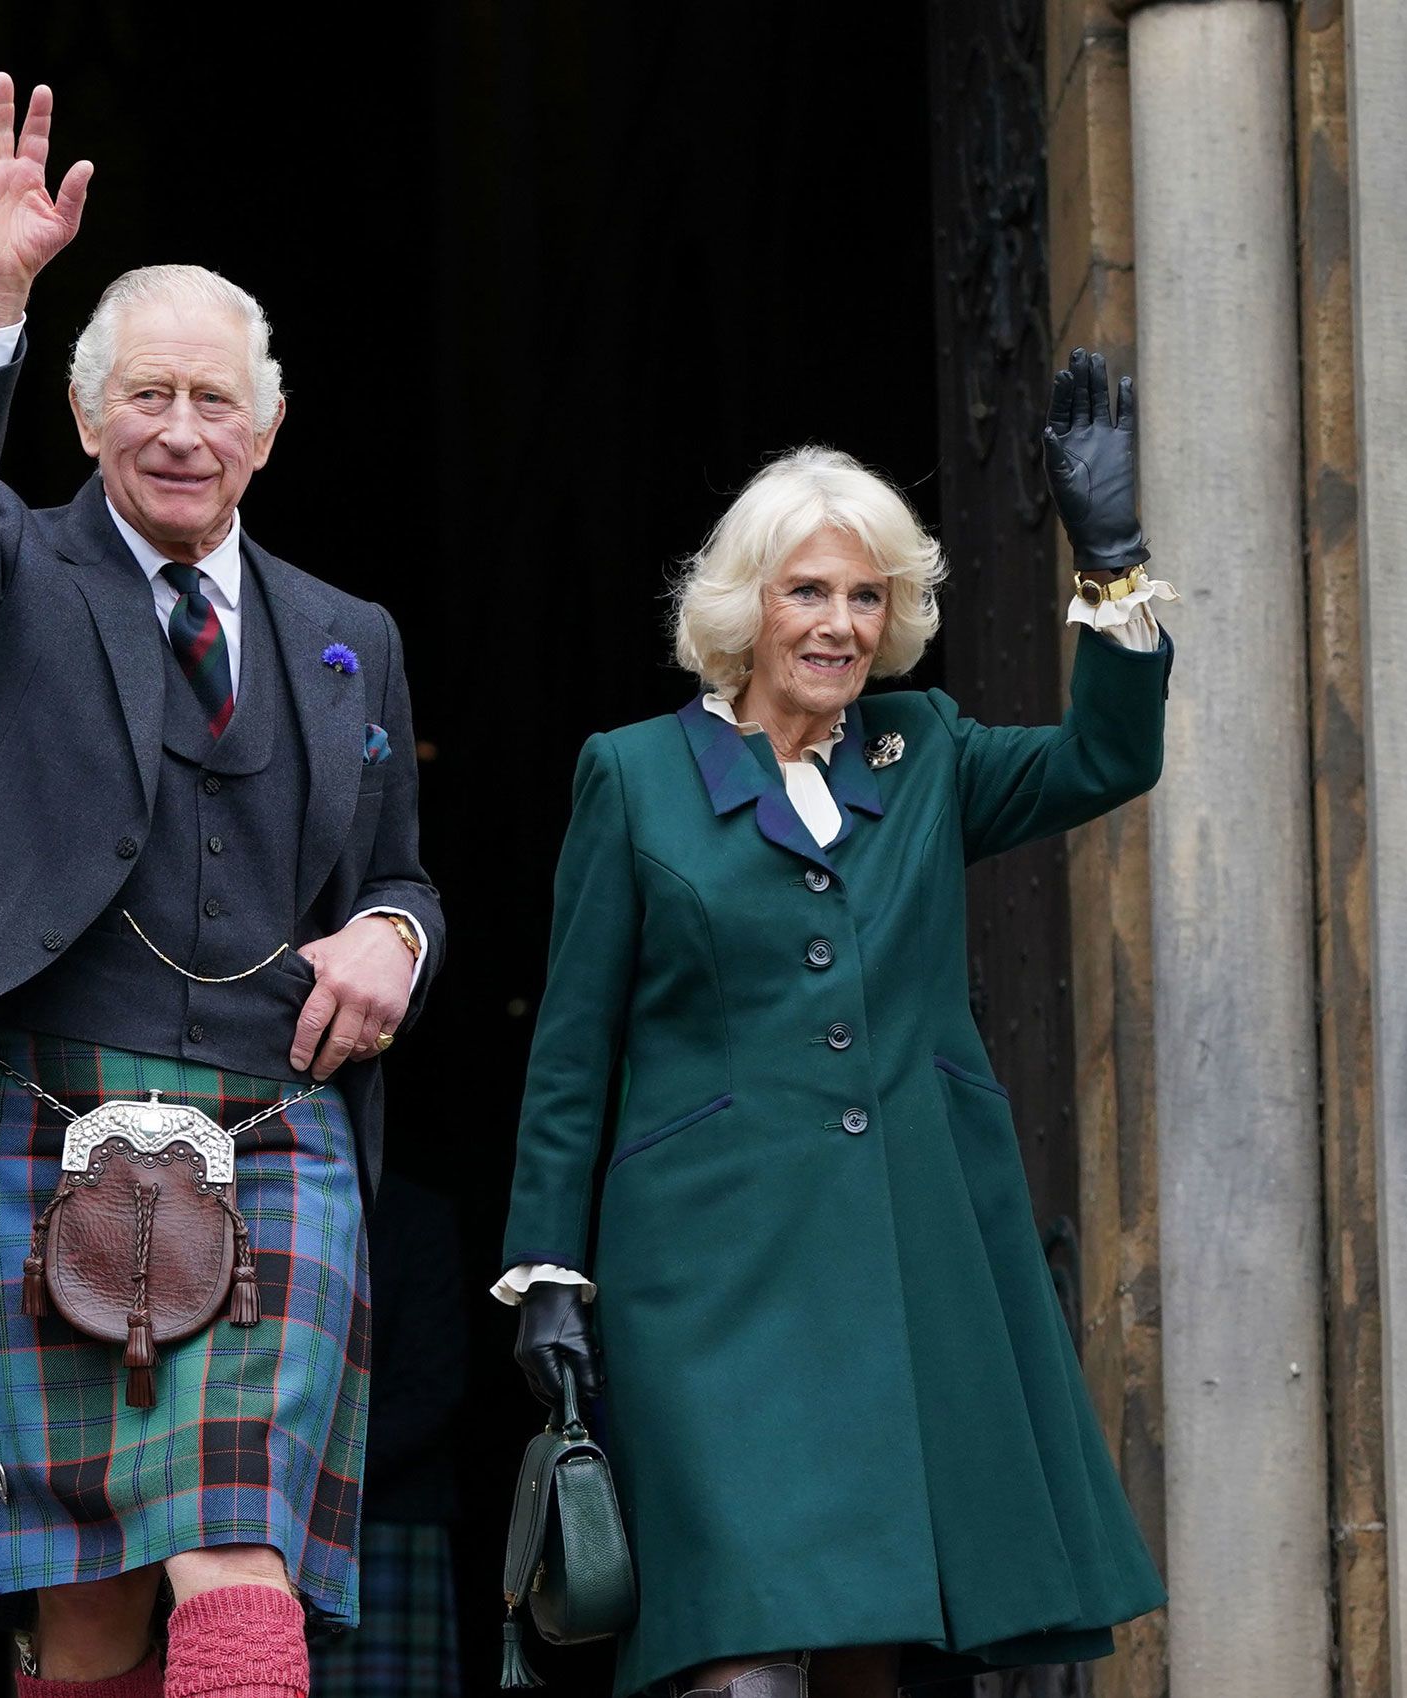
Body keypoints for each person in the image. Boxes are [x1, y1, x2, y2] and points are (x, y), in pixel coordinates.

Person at [0, 75, 444, 1698]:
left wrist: (396, 929)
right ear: (86, 419)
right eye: (144, 394)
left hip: (269, 1127)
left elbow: (400, 873)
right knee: (85, 1611)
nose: (180, 427)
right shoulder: (9, 576)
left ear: (269, 430)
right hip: (34, 1104)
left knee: (237, 1552)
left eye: (215, 400)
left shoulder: (350, 633)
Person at [497, 353, 1174, 1698]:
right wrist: (548, 1269)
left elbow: (1110, 758)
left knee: (875, 1649)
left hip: (902, 1260)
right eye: (810, 590)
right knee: (738, 1652)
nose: (841, 623)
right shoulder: (632, 777)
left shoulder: (921, 752)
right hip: (708, 1281)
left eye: (868, 596)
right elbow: (573, 1045)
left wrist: (1113, 563)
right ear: (746, 605)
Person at [308, 1175, 467, 1698]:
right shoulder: (265, 1203)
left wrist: (311, 1474)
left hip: (391, 1516)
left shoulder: (417, 1219)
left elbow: (431, 1387)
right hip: (275, 1512)